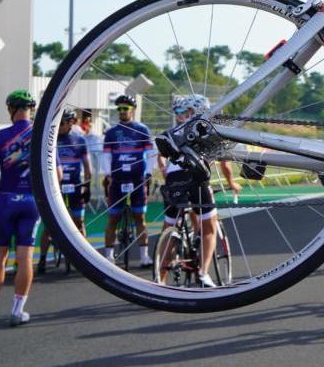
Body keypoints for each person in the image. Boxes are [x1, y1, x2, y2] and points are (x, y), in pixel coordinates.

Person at [156, 95, 242, 287]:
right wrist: (231, 182)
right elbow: (225, 165)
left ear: (187, 111)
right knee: (209, 227)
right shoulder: (208, 129)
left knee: (169, 228)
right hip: (196, 175)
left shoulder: (176, 129)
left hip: (173, 178)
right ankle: (203, 273)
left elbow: (162, 156)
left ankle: (159, 278)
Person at [0, 90, 39, 326]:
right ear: (30, 110)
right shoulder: (40, 135)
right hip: (32, 201)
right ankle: (17, 311)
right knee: (25, 256)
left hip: (6, 199)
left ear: (11, 109)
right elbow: (55, 173)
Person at [102, 94, 154, 268]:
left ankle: (144, 257)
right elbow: (106, 156)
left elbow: (150, 154)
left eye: (125, 108)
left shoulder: (142, 130)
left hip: (137, 179)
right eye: (119, 109)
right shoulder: (110, 132)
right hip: (117, 179)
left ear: (132, 110)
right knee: (113, 218)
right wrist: (108, 174)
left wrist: (148, 173)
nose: (122, 111)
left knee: (140, 217)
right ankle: (108, 257)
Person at [37, 109, 92, 274]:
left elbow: (88, 167)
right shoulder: (50, 141)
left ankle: (85, 257)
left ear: (71, 123)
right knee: (50, 225)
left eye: (63, 123)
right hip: (55, 187)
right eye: (58, 123)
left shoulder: (80, 140)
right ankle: (41, 259)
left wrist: (87, 186)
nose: (59, 126)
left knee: (79, 221)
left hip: (75, 185)